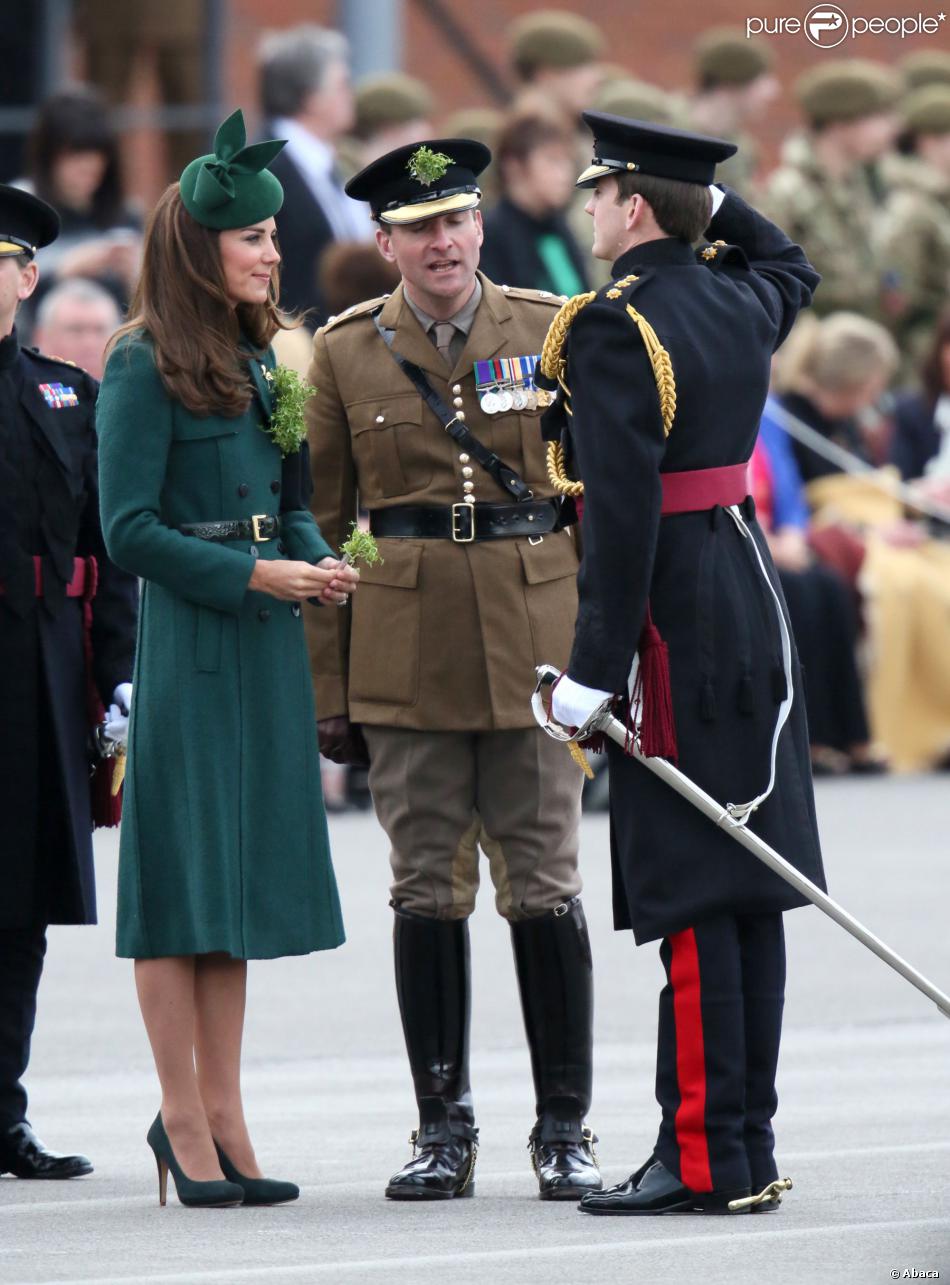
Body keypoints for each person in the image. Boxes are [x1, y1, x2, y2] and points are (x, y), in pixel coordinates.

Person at [304, 137, 602, 1203]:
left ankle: (563, 1125)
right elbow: (328, 524)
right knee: (425, 887)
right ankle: (441, 1125)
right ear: (383, 242)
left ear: (479, 226)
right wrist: (329, 691)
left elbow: (596, 499)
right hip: (406, 640)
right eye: (418, 227)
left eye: (456, 220)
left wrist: (605, 659)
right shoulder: (337, 355)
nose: (442, 241)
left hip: (534, 637)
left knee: (545, 884)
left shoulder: (548, 326)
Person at [541, 113, 824, 1215]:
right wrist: (712, 201)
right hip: (743, 584)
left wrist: (590, 673)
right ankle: (741, 1143)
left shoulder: (617, 327)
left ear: (633, 206)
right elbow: (786, 258)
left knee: (702, 887)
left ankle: (702, 1154)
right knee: (750, 879)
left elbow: (615, 519)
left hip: (669, 611)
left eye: (601, 192)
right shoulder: (737, 296)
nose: (589, 210)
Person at [96, 110, 358, 1209]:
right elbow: (128, 530)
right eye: (250, 238)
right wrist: (257, 576)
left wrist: (317, 564)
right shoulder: (138, 363)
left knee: (237, 892)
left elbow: (293, 504)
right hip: (197, 645)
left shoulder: (265, 361)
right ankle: (184, 1123)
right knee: (179, 891)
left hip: (262, 646)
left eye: (271, 237)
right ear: (198, 250)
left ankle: (227, 1115)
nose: (269, 251)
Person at [0, 184, 138, 1180]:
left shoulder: (62, 395)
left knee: (20, 904)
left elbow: (105, 550)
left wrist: (120, 676)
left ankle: (2, 1112)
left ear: (26, 276)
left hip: (37, 672)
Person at [762, 61, 900, 320]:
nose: (891, 129)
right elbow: (767, 283)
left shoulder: (861, 189)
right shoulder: (787, 193)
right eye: (876, 117)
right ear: (840, 123)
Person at [258, 25, 371, 327]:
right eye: (342, 85)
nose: (351, 95)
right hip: (296, 345)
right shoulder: (266, 171)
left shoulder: (334, 163)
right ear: (310, 97)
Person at [20, 88, 142, 323]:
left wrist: (135, 277)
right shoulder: (23, 209)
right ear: (49, 157)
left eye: (97, 155)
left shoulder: (125, 214)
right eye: (75, 155)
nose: (88, 168)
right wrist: (66, 270)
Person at [876, 86, 950, 372]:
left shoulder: (938, 200)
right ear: (928, 141)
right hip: (919, 362)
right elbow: (896, 299)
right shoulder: (913, 207)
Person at [480, 111, 590, 297]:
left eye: (568, 162)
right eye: (552, 160)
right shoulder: (491, 234)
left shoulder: (558, 226)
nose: (565, 174)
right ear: (513, 165)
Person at [688, 28, 780, 201]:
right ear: (733, 78)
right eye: (761, 79)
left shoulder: (743, 150)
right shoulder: (663, 127)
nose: (772, 91)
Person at [32, 277, 121, 380]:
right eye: (76, 330)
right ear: (43, 337)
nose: (89, 343)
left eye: (99, 330)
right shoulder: (25, 389)